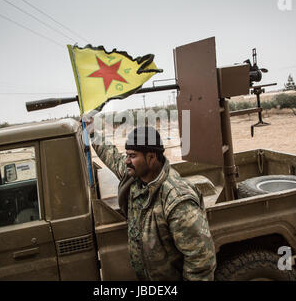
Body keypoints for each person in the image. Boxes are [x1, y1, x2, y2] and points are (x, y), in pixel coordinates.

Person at [86, 119, 216, 281]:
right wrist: (92, 131)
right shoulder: (135, 177)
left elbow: (200, 262)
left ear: (151, 158)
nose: (126, 161)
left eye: (132, 156)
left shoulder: (177, 200)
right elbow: (112, 157)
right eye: (127, 155)